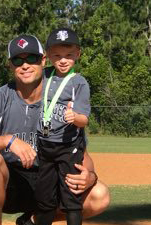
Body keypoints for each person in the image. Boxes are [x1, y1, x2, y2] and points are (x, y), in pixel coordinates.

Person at [0, 34, 110, 225]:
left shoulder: (61, 97)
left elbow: (80, 152)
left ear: (43, 60)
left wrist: (90, 176)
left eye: (32, 58)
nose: (25, 65)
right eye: (17, 60)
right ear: (10, 65)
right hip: (10, 184)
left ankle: (32, 221)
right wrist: (8, 140)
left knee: (100, 195)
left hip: (50, 178)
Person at [35, 28, 90, 225]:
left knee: (71, 197)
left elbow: (84, 120)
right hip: (44, 145)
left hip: (68, 147)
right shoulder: (44, 75)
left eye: (69, 55)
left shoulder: (79, 83)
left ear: (78, 55)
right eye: (57, 55)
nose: (63, 60)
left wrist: (74, 117)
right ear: (48, 56)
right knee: (45, 198)